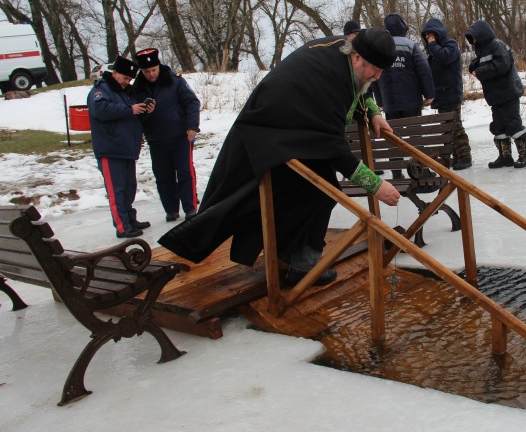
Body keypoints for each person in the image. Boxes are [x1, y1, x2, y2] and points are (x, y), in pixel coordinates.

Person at [159, 28, 402, 286]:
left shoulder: (345, 53)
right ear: (356, 58)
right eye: (375, 68)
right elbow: (334, 147)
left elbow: (360, 87)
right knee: (296, 193)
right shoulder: (328, 78)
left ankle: (294, 259)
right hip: (268, 134)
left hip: (295, 131)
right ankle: (300, 263)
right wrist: (375, 186)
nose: (378, 75)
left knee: (312, 193)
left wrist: (373, 112)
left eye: (381, 70)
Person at [87, 55, 154, 238]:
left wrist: (144, 111)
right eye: (125, 78)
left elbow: (132, 117)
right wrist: (130, 109)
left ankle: (130, 219)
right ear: (115, 73)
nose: (127, 82)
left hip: (126, 148)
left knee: (129, 187)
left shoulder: (126, 92)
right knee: (117, 191)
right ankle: (122, 227)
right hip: (110, 149)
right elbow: (100, 110)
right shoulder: (101, 90)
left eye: (129, 79)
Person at [133, 48, 201, 223]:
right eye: (147, 71)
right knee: (163, 176)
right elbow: (135, 115)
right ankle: (171, 209)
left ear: (158, 66)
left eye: (153, 70)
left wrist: (192, 126)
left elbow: (192, 102)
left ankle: (190, 207)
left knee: (185, 172)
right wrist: (146, 113)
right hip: (156, 140)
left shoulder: (175, 81)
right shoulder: (138, 88)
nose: (151, 74)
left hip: (180, 136)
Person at [372, 13, 435, 179]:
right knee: (415, 136)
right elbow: (424, 71)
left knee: (393, 138)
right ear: (403, 28)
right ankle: (421, 169)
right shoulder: (410, 46)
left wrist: (380, 100)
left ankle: (396, 172)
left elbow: (373, 76)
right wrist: (429, 94)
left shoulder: (380, 48)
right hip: (412, 101)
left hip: (390, 102)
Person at [465, 20, 526, 168]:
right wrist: (473, 67)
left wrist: (480, 71)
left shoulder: (496, 45)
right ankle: (505, 156)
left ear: (481, 35)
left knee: (513, 124)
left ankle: (525, 155)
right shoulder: (482, 50)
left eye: (474, 37)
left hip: (508, 92)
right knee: (498, 127)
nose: (473, 41)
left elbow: (502, 64)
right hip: (496, 96)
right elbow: (479, 63)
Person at [422, 18, 472, 170]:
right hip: (441, 96)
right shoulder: (432, 53)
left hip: (451, 93)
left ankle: (464, 156)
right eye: (427, 35)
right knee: (447, 128)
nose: (429, 38)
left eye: (431, 34)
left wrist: (432, 44)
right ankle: (456, 156)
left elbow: (444, 58)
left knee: (455, 126)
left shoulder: (450, 45)